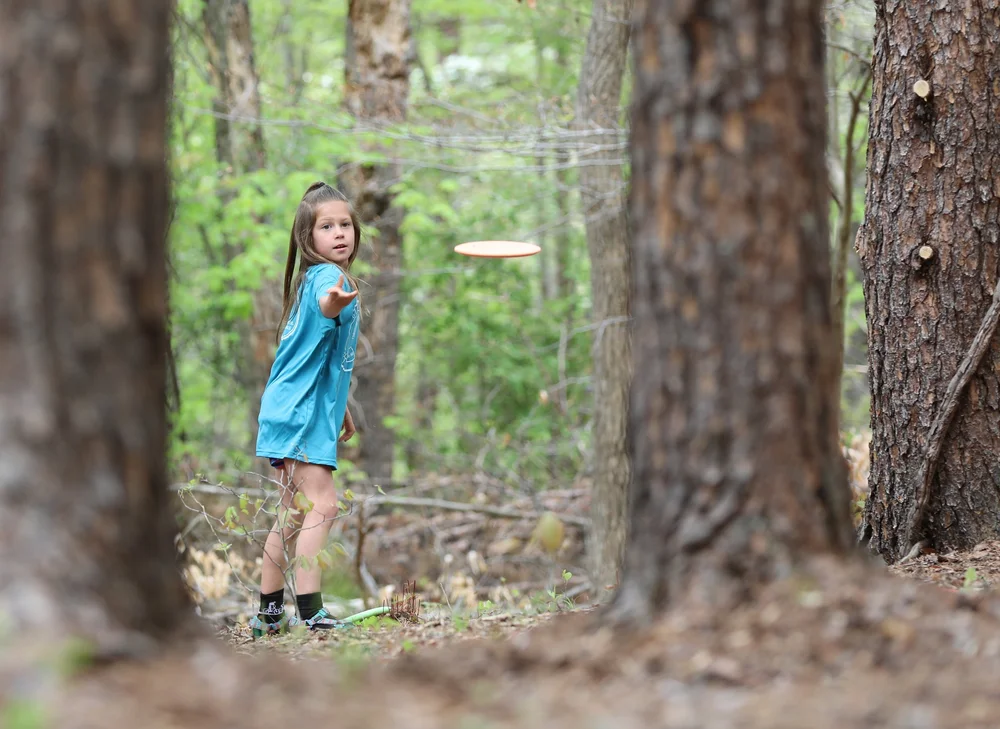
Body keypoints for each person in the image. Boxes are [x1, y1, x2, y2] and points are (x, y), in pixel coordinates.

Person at [249, 181, 363, 638]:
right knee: (323, 504)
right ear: (307, 238)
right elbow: (326, 305)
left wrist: (343, 409)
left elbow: (320, 356)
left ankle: (269, 614)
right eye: (326, 226)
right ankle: (311, 610)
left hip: (295, 408)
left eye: (346, 224)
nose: (339, 233)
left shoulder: (316, 279)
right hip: (298, 413)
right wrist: (334, 303)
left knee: (292, 513)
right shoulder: (325, 281)